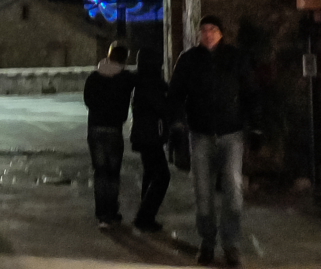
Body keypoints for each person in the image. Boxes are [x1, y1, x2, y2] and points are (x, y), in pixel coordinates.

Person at [170, 16, 253, 267]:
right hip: (201, 135)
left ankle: (231, 245)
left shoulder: (235, 58)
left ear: (221, 33)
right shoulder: (188, 60)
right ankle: (207, 242)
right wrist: (177, 122)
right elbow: (175, 94)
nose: (208, 34)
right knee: (203, 193)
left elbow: (250, 91)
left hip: (231, 134)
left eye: (213, 29)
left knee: (233, 192)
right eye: (204, 30)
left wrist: (253, 125)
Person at [83, 41, 137, 229]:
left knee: (100, 172)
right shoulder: (126, 78)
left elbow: (88, 101)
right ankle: (111, 212)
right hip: (114, 129)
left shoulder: (94, 77)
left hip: (95, 128)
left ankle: (102, 214)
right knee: (113, 173)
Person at [129, 47, 172, 232]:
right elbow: (161, 106)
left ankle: (146, 216)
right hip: (149, 136)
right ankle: (144, 215)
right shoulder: (150, 84)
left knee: (150, 173)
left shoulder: (142, 81)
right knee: (162, 176)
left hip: (144, 134)